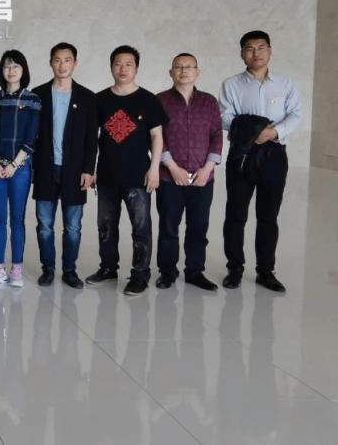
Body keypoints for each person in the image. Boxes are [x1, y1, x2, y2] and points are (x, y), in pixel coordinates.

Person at [218, 30, 303, 293]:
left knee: (268, 216)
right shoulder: (231, 84)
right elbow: (225, 117)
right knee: (236, 214)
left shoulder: (286, 84)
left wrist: (274, 132)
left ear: (270, 50)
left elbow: (296, 114)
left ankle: (265, 271)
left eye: (261, 48)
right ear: (242, 53)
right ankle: (234, 268)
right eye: (250, 49)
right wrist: (254, 130)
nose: (256, 53)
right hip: (242, 155)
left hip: (274, 155)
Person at [86, 45, 167, 296]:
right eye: (118, 64)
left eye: (128, 64)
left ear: (137, 68)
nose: (122, 69)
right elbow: (91, 138)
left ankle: (140, 274)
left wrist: (154, 169)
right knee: (106, 227)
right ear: (111, 67)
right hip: (107, 175)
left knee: (140, 228)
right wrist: (91, 169)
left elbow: (157, 136)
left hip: (138, 176)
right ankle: (108, 268)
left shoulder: (148, 100)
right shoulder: (100, 99)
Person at [31, 43, 98, 289]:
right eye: (57, 60)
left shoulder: (87, 97)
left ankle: (70, 270)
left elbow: (92, 139)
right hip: (45, 169)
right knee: (45, 226)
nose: (62, 65)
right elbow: (31, 135)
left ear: (75, 64)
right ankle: (48, 269)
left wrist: (89, 169)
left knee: (72, 227)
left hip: (75, 171)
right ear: (51, 63)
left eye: (67, 60)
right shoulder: (37, 94)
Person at [155, 53, 223, 291]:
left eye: (189, 67)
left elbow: (217, 135)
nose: (184, 71)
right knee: (168, 228)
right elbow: (155, 137)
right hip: (169, 177)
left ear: (198, 72)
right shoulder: (160, 100)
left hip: (202, 178)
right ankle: (167, 272)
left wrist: (208, 168)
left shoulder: (209, 102)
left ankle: (195, 272)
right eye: (178, 67)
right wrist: (172, 167)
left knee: (198, 227)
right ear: (171, 72)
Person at [0, 50, 41, 289]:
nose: (11, 70)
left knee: (17, 219)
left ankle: (16, 268)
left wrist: (14, 165)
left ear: (23, 70)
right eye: (7, 66)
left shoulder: (32, 99)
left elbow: (32, 136)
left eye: (16, 66)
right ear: (1, 70)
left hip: (20, 169)